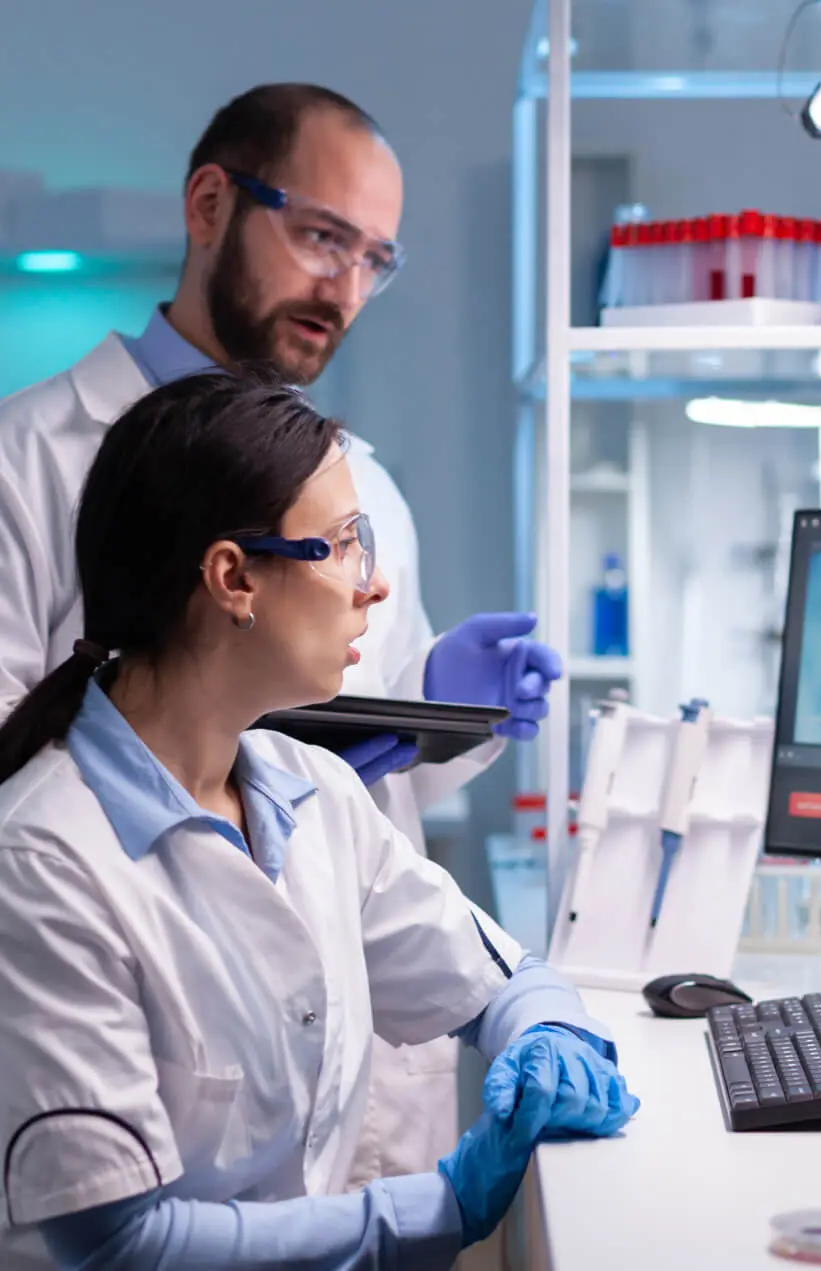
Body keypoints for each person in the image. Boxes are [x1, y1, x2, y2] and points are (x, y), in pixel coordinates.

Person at [0, 82, 554, 1180]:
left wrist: (435, 708)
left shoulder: (363, 485)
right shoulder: (31, 458)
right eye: (321, 237)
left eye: (376, 259)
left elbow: (372, 779)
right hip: (151, 1025)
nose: (344, 287)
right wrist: (224, 751)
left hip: (354, 1063)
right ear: (210, 204)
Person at [0, 370, 637, 1271]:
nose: (373, 586)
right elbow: (118, 1241)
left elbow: (501, 977)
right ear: (234, 578)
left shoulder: (311, 790)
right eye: (342, 546)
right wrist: (442, 1206)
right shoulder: (43, 860)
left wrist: (547, 1034)